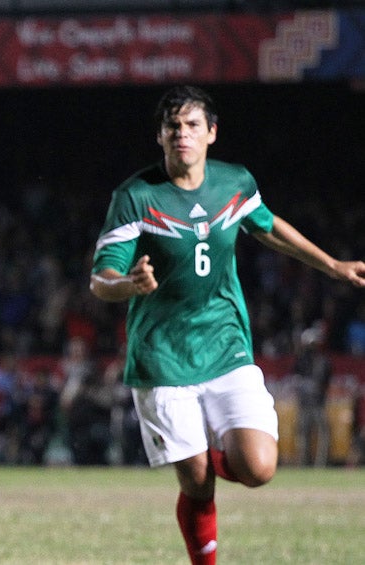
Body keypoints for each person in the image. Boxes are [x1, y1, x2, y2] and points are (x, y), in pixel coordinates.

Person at [89, 85, 365, 564]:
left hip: (224, 345)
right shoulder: (136, 196)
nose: (182, 134)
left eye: (192, 125)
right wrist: (128, 284)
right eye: (173, 126)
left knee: (258, 468)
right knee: (197, 482)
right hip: (162, 357)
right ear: (160, 135)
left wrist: (332, 265)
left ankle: (206, 452)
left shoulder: (233, 183)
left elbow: (268, 226)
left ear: (211, 133)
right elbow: (100, 279)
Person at [292, 322, 332, 467]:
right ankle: (304, 463)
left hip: (318, 402)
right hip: (305, 402)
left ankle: (320, 464)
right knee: (303, 434)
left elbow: (326, 381)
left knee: (322, 433)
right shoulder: (301, 361)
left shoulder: (323, 362)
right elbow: (296, 380)